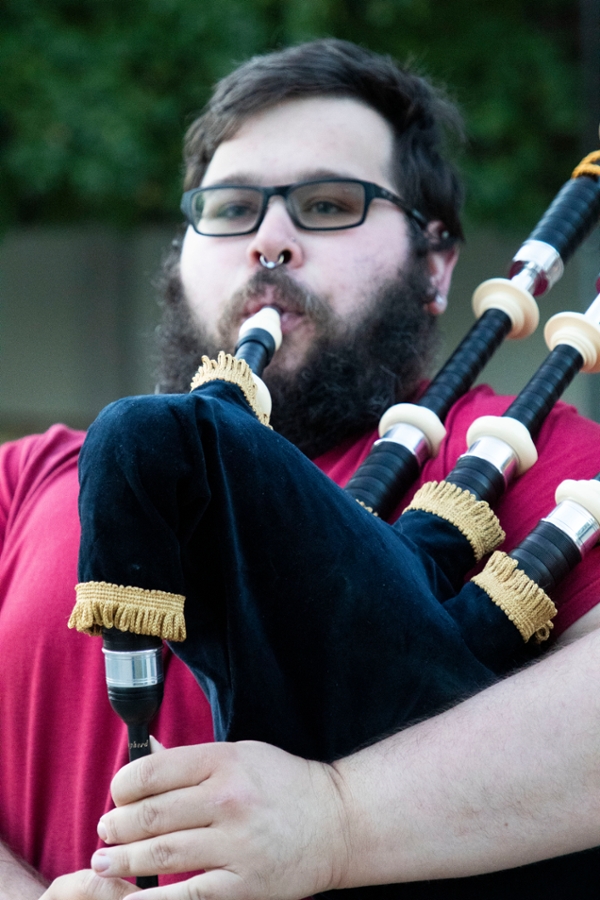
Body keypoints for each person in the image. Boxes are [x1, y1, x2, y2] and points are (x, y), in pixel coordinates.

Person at [1, 38, 600, 900]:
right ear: (182, 249)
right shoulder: (29, 480)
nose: (270, 243)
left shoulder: (523, 458)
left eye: (326, 205)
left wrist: (339, 819)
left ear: (435, 268)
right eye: (232, 207)